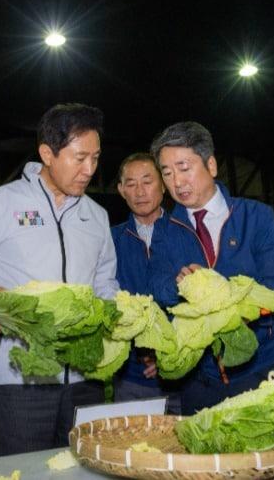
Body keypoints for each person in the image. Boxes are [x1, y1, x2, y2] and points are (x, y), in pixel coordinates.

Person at [0, 103, 119, 456]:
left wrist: (116, 314)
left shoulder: (97, 216)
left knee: (82, 470)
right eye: (79, 157)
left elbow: (105, 283)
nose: (90, 169)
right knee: (22, 470)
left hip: (84, 376)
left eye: (96, 157)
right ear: (47, 153)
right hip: (19, 377)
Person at [147, 121, 274, 415]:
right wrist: (180, 285)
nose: (176, 182)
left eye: (184, 167)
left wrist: (218, 295)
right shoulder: (165, 229)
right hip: (200, 379)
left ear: (211, 165)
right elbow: (157, 285)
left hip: (263, 367)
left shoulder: (257, 217)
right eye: (167, 172)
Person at [111, 153, 180, 413]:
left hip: (186, 376)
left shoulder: (185, 231)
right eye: (130, 184)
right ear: (121, 190)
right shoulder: (110, 241)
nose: (139, 192)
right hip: (132, 377)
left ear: (163, 185)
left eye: (147, 182)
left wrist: (172, 354)